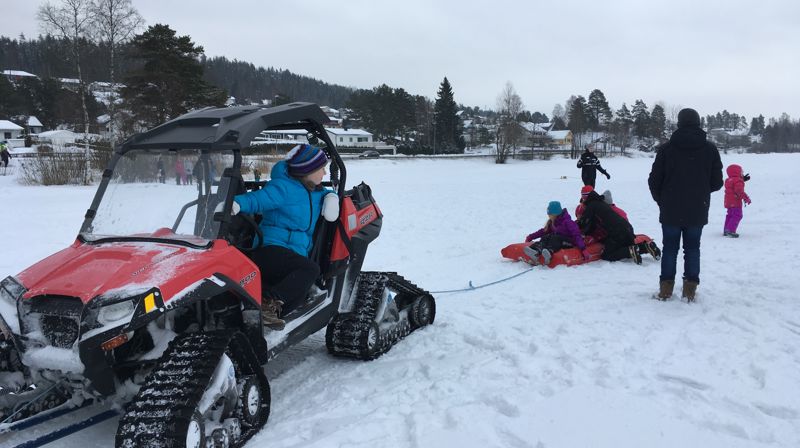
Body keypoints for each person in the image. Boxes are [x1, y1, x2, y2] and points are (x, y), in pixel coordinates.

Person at [226, 144, 339, 329]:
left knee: (297, 298)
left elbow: (324, 193)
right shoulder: (283, 188)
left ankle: (263, 315)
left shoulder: (315, 191)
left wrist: (331, 196)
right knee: (310, 270)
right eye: (321, 169)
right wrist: (236, 203)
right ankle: (266, 302)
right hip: (271, 250)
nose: (325, 173)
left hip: (292, 255)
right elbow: (258, 199)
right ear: (307, 171)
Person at [648, 108, 723, 301]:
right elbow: (717, 182)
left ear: (679, 124)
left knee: (670, 249)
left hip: (671, 209)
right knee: (692, 249)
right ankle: (690, 291)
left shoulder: (666, 149)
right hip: (697, 209)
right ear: (698, 123)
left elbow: (654, 181)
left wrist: (662, 201)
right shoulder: (710, 149)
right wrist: (700, 193)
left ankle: (665, 290)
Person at [579, 191, 642, 264]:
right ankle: (645, 246)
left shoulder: (591, 206)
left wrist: (577, 229)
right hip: (628, 228)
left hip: (617, 232)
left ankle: (629, 251)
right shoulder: (602, 204)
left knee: (607, 255)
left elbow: (584, 223)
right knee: (627, 245)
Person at [523, 201, 590, 265]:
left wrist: (583, 249)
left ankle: (549, 252)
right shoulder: (553, 222)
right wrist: (530, 237)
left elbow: (577, 235)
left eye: (550, 214)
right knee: (546, 237)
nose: (548, 216)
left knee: (556, 237)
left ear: (555, 214)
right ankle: (536, 251)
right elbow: (543, 231)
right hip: (558, 241)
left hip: (570, 243)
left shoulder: (568, 222)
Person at [723, 164, 751, 238]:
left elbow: (734, 183)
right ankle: (730, 230)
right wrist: (746, 198)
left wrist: (742, 179)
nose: (742, 173)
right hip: (735, 202)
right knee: (737, 215)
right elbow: (739, 191)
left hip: (728, 202)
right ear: (737, 172)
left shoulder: (728, 180)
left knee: (730, 215)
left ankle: (726, 229)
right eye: (741, 172)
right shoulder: (738, 181)